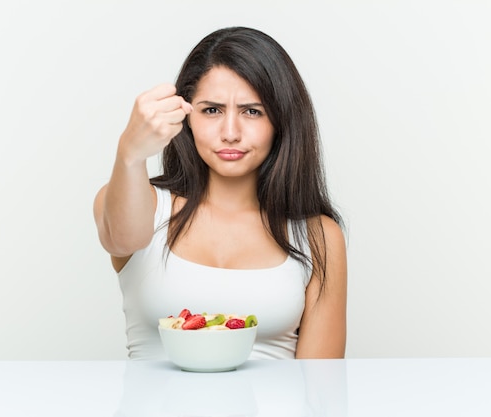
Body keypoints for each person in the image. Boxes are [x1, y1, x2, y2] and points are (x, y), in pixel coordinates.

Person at [93, 26, 347, 360]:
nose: (230, 133)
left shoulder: (318, 237)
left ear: (281, 121)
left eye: (252, 111)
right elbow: (120, 239)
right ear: (186, 116)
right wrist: (130, 151)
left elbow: (322, 389)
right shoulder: (146, 203)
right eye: (212, 110)